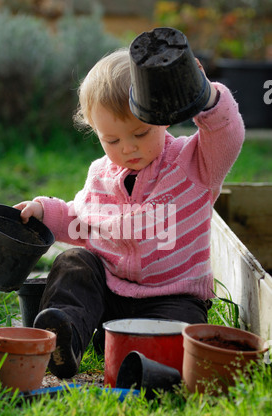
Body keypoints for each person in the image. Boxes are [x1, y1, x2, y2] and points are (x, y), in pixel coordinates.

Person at [14, 47, 245, 379]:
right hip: (111, 289)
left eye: (140, 133)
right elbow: (78, 221)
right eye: (111, 139)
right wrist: (42, 211)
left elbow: (227, 133)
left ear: (162, 117)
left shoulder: (194, 164)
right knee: (74, 262)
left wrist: (204, 95)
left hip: (172, 295)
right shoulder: (100, 176)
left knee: (179, 332)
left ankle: (141, 360)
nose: (128, 148)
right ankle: (67, 336)